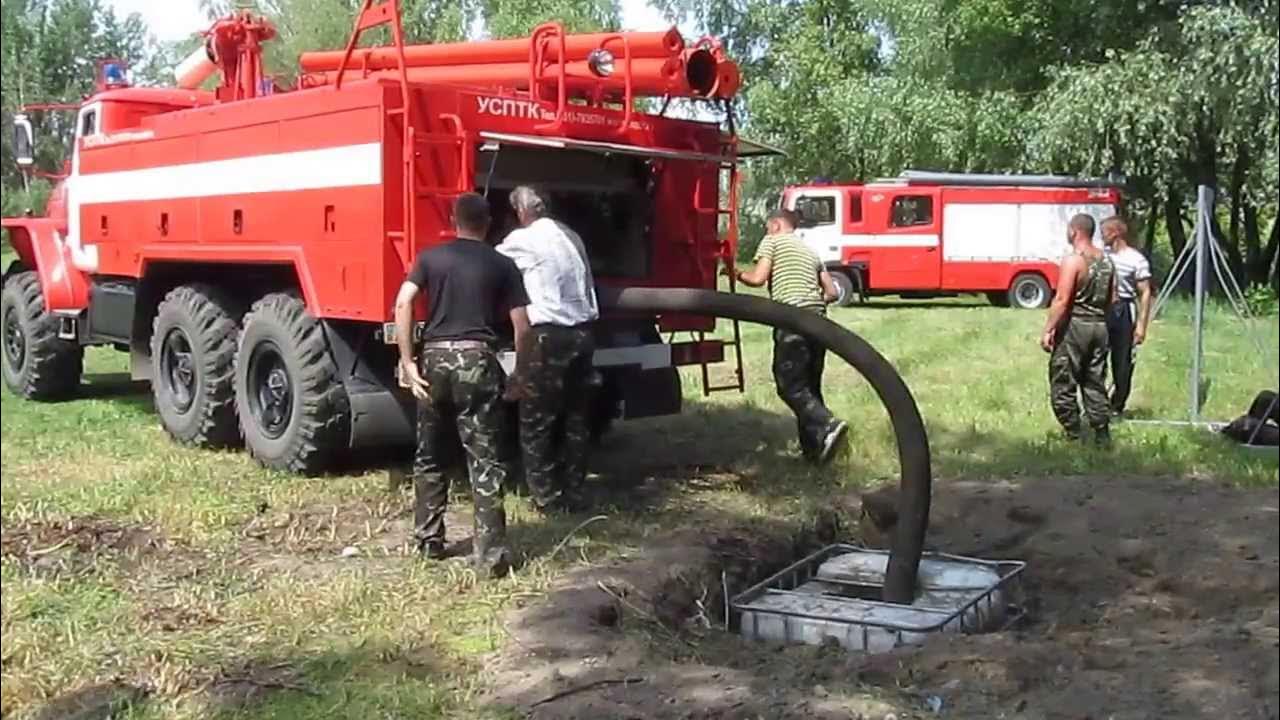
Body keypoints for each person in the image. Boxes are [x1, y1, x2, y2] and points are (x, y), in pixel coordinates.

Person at [394, 193, 531, 578]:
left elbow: (403, 303)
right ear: (488, 222)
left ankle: (428, 541)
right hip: (477, 360)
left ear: (453, 219)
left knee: (430, 454)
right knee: (484, 460)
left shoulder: (429, 258)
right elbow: (522, 326)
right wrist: (519, 375)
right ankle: (490, 559)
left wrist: (407, 360)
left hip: (435, 359)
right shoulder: (503, 265)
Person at [497, 186, 600, 514]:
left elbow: (491, 264)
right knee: (576, 418)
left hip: (549, 337)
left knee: (536, 420)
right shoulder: (572, 236)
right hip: (583, 335)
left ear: (522, 212)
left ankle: (546, 499)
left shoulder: (522, 240)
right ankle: (575, 492)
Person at [734, 207, 848, 463]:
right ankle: (815, 453)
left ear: (775, 225)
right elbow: (831, 292)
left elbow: (758, 278)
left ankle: (827, 422)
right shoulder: (809, 249)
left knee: (789, 386)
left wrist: (736, 273)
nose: (766, 231)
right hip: (819, 323)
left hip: (792, 320)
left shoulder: (773, 241)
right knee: (810, 388)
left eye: (767, 227)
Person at [1040, 214, 1117, 445]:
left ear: (1075, 231)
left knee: (1064, 379)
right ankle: (1101, 433)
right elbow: (1113, 299)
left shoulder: (1073, 260)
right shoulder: (1107, 261)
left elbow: (1062, 299)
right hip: (1101, 326)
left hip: (1076, 326)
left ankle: (1074, 433)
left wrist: (1048, 329)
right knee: (1095, 380)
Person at [1100, 216, 1153, 416]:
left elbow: (1145, 292)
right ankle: (1098, 403)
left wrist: (1141, 326)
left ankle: (1116, 406)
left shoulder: (1135, 259)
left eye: (1104, 231)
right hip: (1103, 308)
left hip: (1124, 310)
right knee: (1097, 358)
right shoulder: (1101, 256)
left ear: (1115, 233)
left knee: (1122, 362)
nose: (1101, 235)